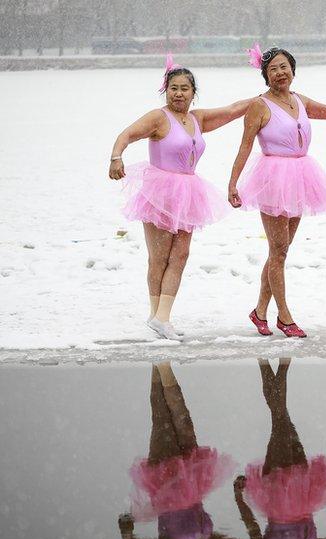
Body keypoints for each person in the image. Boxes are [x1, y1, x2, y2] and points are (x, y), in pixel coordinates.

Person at [109, 56, 253, 341]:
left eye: (184, 88)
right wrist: (116, 157)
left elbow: (234, 109)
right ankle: (156, 316)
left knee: (181, 255)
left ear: (193, 92)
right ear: (166, 91)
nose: (178, 93)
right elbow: (127, 134)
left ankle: (162, 316)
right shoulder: (158, 118)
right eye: (173, 88)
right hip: (160, 192)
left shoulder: (197, 119)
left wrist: (264, 98)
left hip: (188, 192)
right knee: (159, 257)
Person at [228, 45, 326, 338]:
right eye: (273, 69)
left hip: (301, 176)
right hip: (273, 179)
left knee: (281, 250)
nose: (280, 73)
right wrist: (233, 182)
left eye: (284, 67)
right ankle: (284, 316)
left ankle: (259, 311)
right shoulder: (260, 105)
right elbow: (244, 145)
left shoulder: (299, 100)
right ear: (266, 76)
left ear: (293, 70)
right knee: (278, 250)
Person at [118, 362, 237, 539]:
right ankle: (161, 363)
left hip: (165, 481)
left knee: (161, 416)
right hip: (193, 479)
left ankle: (158, 362)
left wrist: (127, 534)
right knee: (182, 418)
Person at [234, 358, 326, 539]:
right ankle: (268, 363)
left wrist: (239, 496)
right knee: (282, 419)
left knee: (280, 419)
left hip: (275, 492)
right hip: (305, 491)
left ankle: (279, 364)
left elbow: (252, 528)